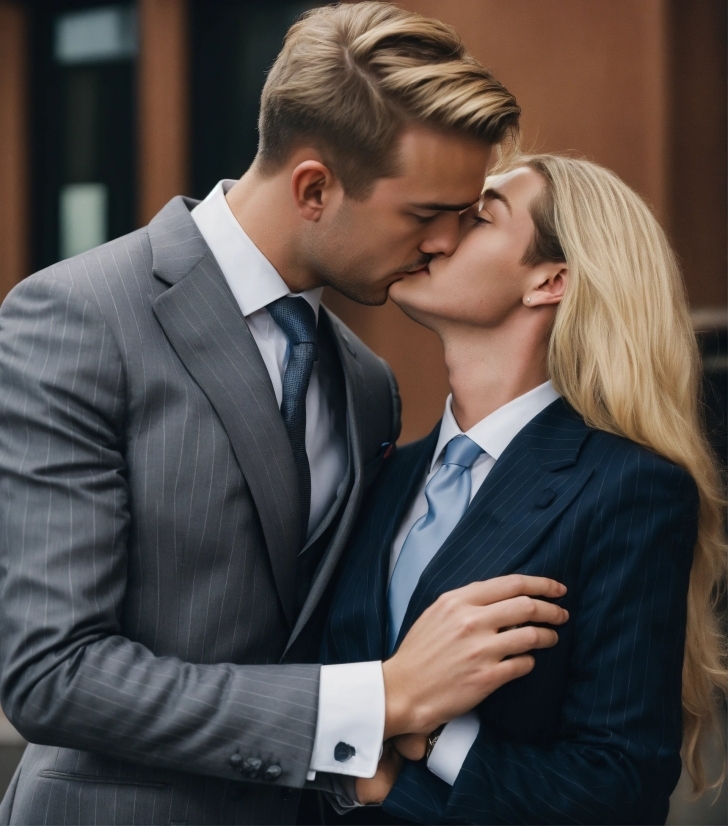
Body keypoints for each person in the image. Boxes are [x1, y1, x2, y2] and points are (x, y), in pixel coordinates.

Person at [0, 5, 570, 826]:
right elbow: (52, 674)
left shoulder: (368, 381)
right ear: (313, 188)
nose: (446, 243)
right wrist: (379, 696)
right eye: (423, 214)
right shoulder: (78, 316)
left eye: (464, 212)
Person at [322, 155, 728, 824]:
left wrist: (425, 749)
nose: (440, 232)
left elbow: (618, 785)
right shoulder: (382, 470)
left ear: (551, 280)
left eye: (477, 217)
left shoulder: (628, 488)